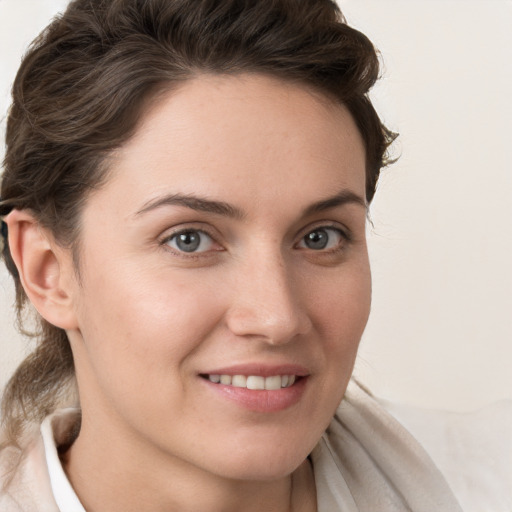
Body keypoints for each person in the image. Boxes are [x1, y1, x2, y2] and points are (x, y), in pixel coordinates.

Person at [0, 0, 464, 510]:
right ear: (48, 272)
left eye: (320, 237)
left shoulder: (483, 480)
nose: (277, 318)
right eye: (189, 239)